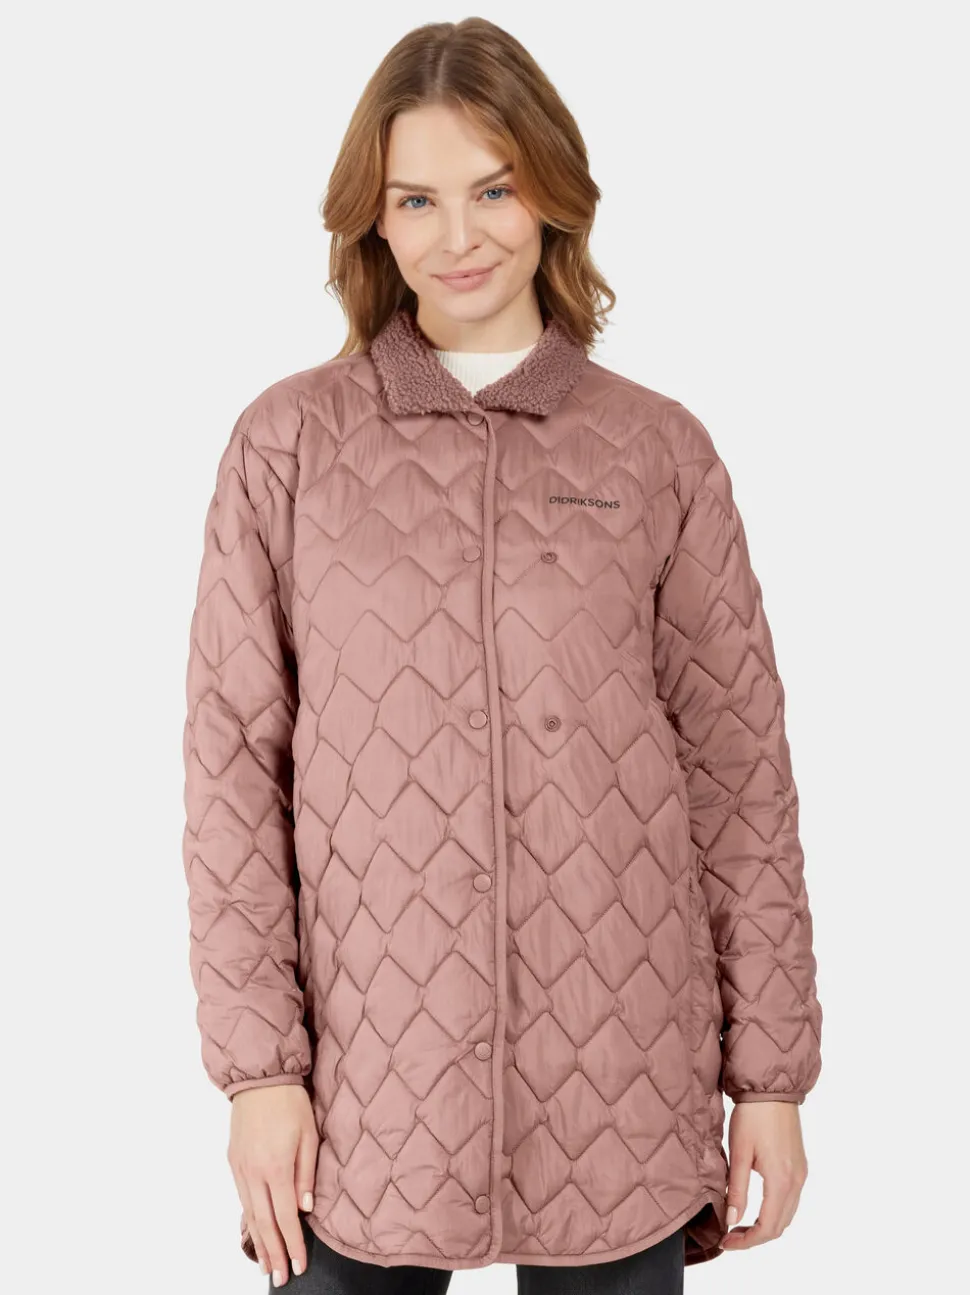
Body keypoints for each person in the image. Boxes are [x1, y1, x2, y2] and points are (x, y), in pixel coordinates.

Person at [181, 16, 822, 1293]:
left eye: (493, 189)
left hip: (621, 1073)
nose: (457, 236)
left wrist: (770, 1075)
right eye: (415, 199)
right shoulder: (288, 446)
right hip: (369, 1086)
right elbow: (232, 775)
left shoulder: (657, 450)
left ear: (553, 194)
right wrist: (259, 1071)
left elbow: (738, 774)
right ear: (372, 218)